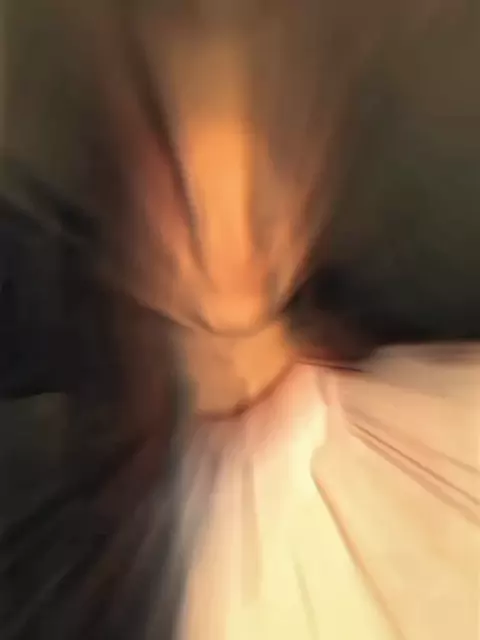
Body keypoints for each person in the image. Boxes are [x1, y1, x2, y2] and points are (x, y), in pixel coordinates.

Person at [1, 0, 479, 638]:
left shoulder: (449, 435)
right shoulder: (113, 552)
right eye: (176, 195)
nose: (213, 234)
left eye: (248, 200)